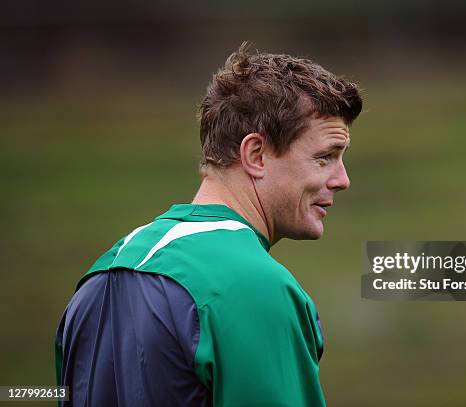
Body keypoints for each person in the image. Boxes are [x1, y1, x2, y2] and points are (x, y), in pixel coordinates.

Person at [55, 42, 362, 406]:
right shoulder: (257, 287)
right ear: (256, 155)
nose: (342, 179)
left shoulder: (100, 274)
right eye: (325, 157)